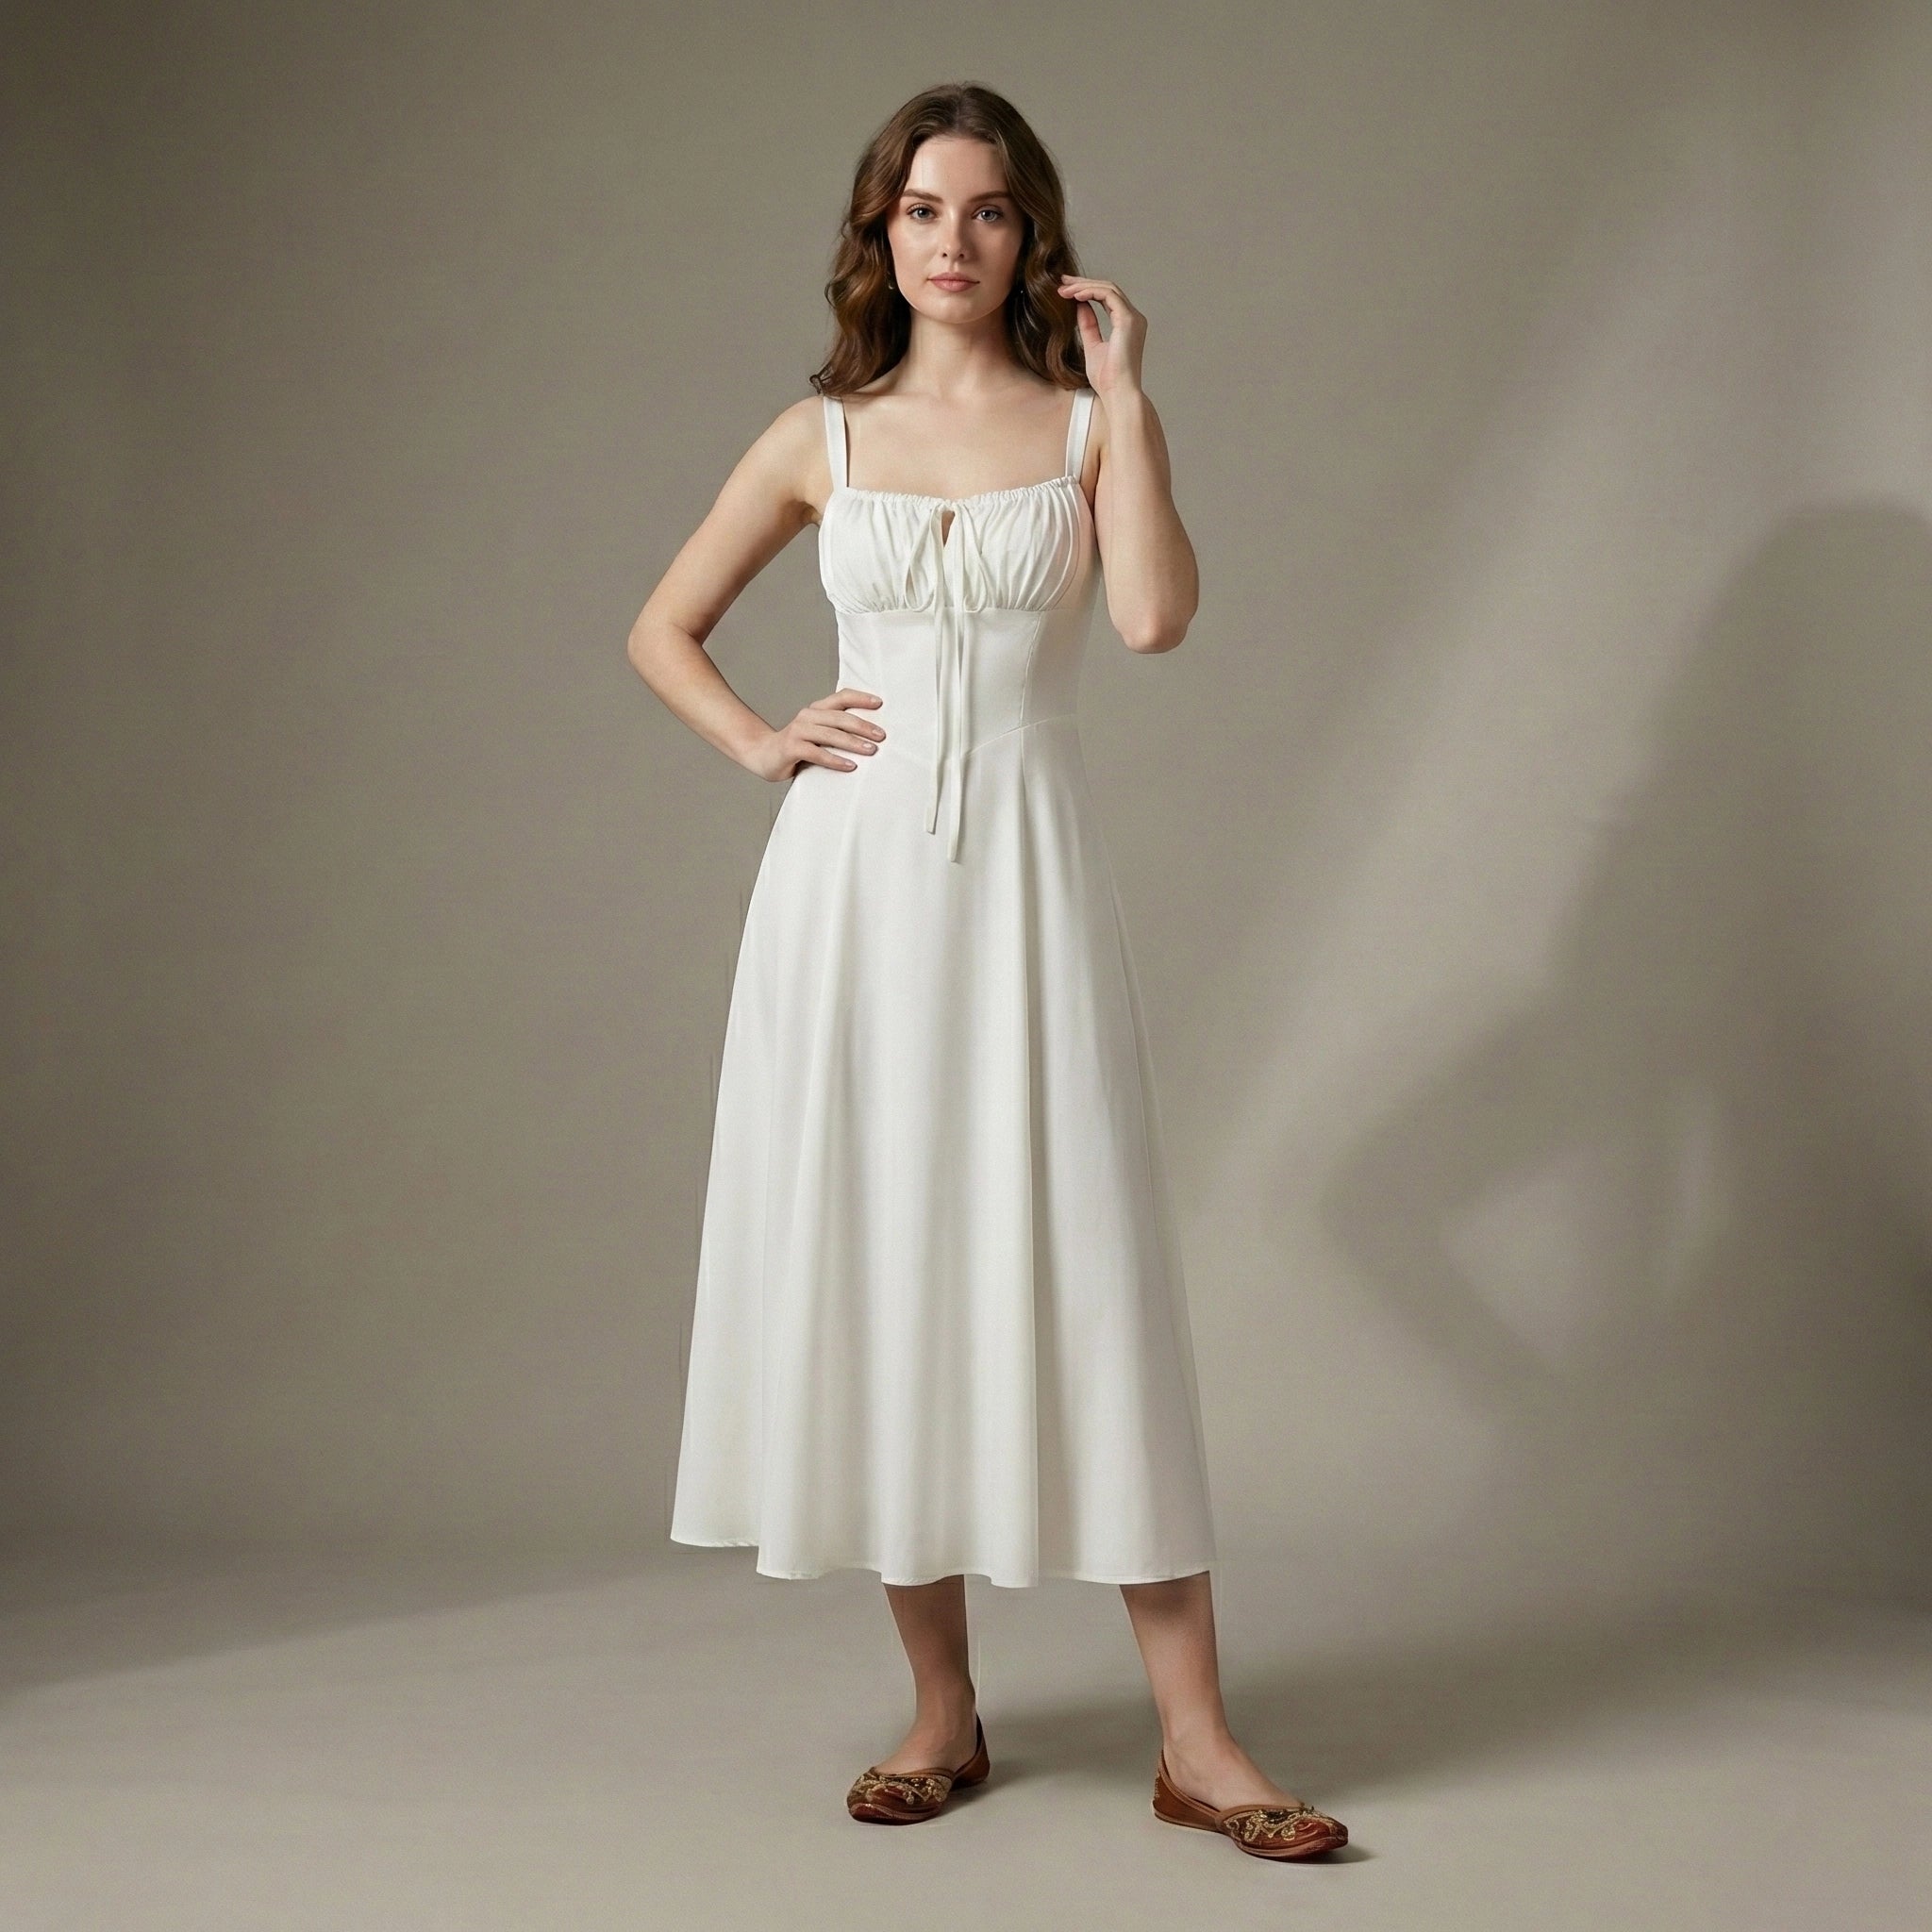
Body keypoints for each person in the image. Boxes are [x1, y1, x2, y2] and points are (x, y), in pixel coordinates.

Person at [626, 82, 1345, 1861]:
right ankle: (943, 1709)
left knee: (1088, 1269)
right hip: (850, 897)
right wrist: (757, 743)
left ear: (1037, 240)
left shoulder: (1091, 427)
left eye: (992, 213)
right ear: (880, 235)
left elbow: (1158, 620)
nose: (956, 242)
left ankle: (1200, 1741)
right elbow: (664, 626)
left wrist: (1132, 409)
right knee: (888, 1271)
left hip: (1023, 889)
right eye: (924, 211)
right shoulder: (825, 436)